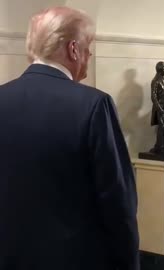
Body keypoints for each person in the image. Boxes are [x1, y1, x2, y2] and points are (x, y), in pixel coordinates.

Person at [0, 6, 139, 270]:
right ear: (74, 49)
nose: (89, 55)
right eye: (89, 47)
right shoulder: (94, 105)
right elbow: (117, 202)